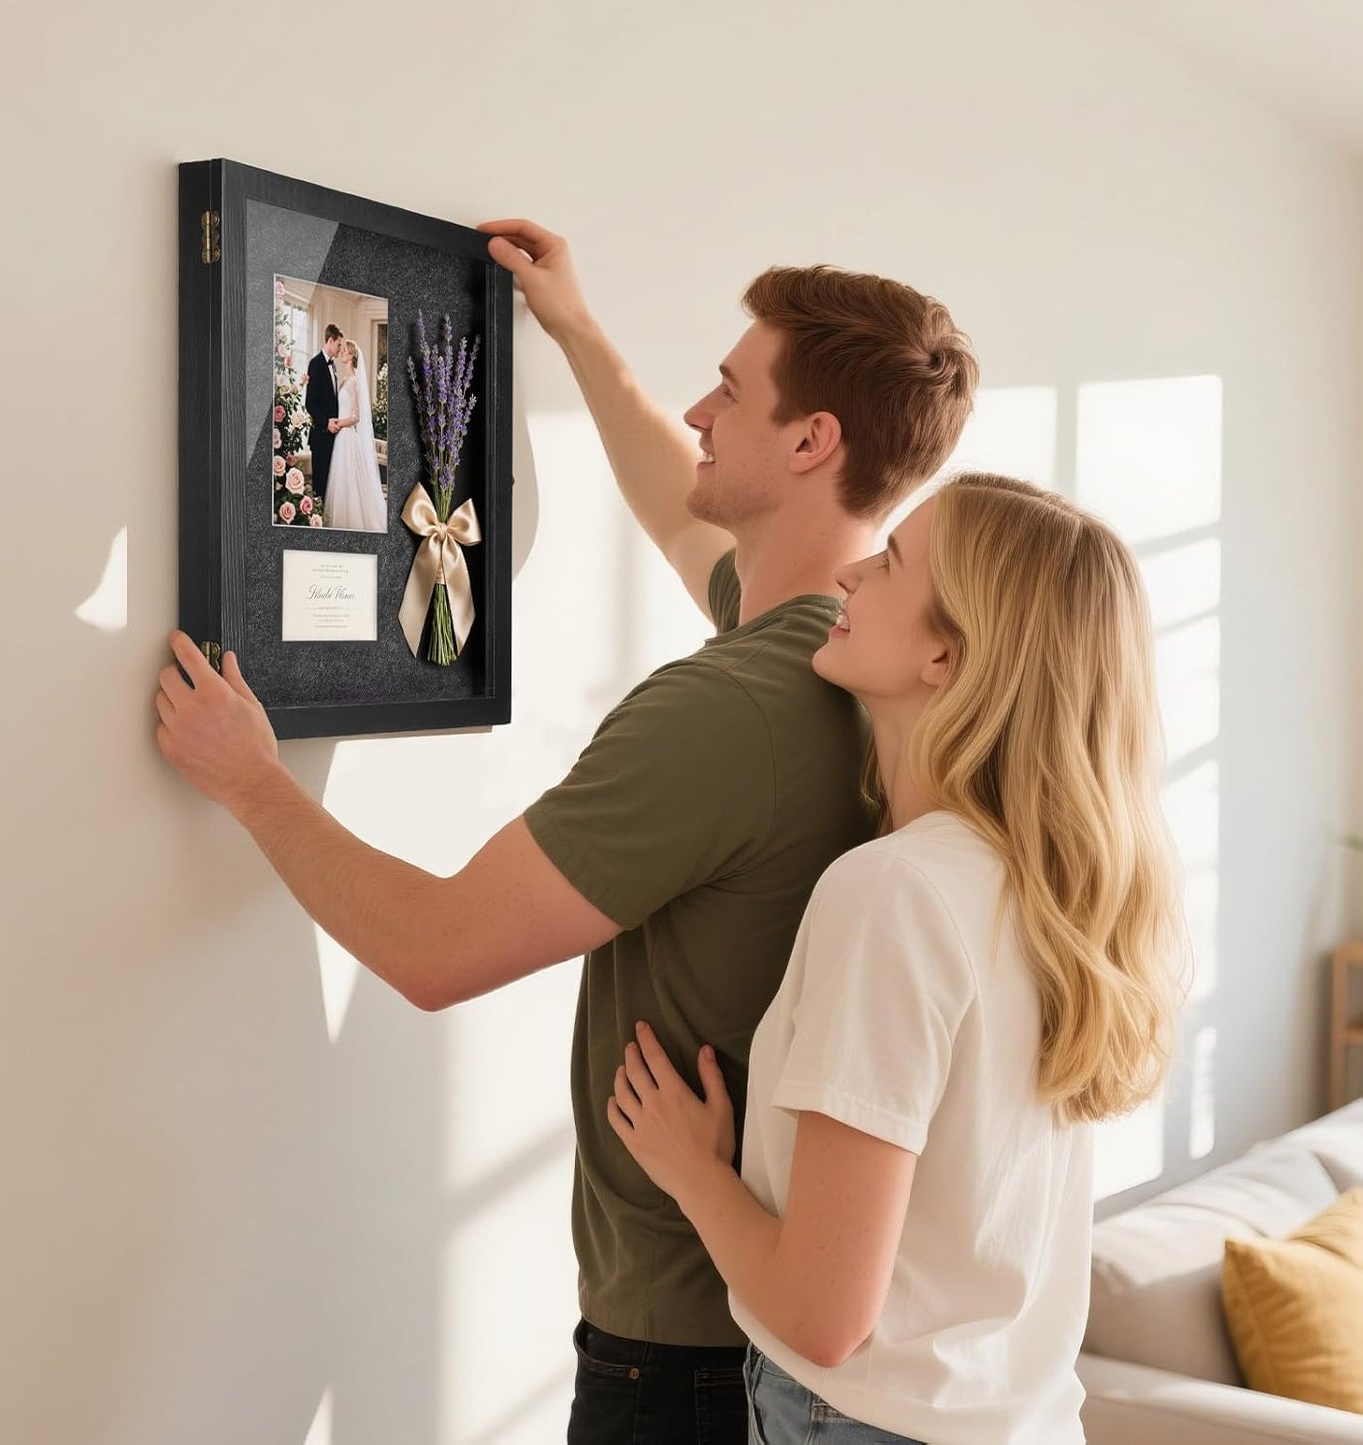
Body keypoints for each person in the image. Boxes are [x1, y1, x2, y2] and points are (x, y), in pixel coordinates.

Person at [155, 219, 977, 1445]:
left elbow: (437, 949)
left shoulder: (732, 708)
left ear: (812, 441)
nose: (700, 411)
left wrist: (254, 783)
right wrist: (579, 333)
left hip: (685, 1350)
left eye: (731, 391)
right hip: (744, 1328)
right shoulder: (868, 664)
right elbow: (680, 506)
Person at [607, 475, 1188, 1445]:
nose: (847, 569)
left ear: (943, 652)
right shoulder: (1047, 890)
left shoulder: (894, 894)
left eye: (886, 563)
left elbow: (821, 1317)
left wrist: (693, 1170)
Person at [324, 340, 387, 532]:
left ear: (351, 356)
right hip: (341, 436)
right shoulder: (345, 381)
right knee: (341, 479)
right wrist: (336, 419)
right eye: (342, 351)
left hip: (348, 436)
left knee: (349, 479)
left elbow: (356, 417)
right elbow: (345, 411)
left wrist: (338, 423)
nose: (341, 354)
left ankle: (351, 523)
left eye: (344, 352)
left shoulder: (354, 383)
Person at [304, 324, 343, 503]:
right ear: (330, 340)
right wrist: (326, 423)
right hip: (320, 436)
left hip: (332, 435)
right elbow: (310, 403)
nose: (340, 348)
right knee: (320, 486)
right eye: (338, 344)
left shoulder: (333, 366)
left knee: (331, 485)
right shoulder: (316, 363)